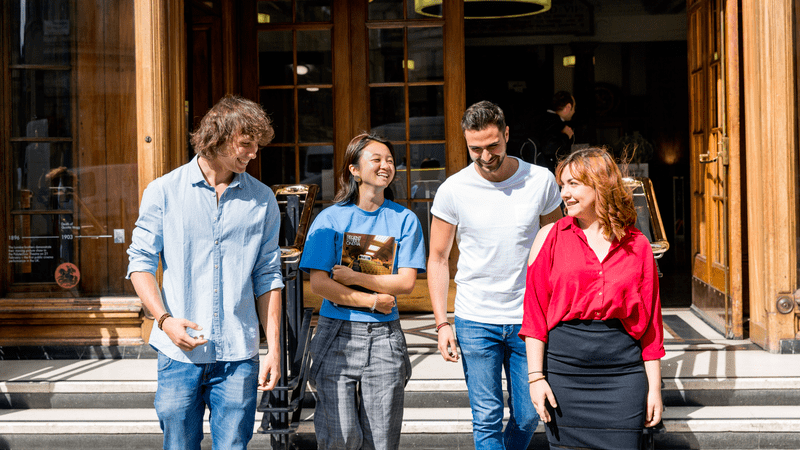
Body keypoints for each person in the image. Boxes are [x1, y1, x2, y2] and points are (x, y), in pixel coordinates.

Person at [126, 95, 284, 450]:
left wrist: (273, 349)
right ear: (217, 138)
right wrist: (164, 321)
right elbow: (140, 263)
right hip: (179, 353)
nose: (254, 153)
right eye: (246, 144)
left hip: (238, 353)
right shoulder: (164, 192)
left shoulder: (262, 200)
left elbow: (268, 276)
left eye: (256, 146)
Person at [427, 100, 563, 450]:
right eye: (475, 149)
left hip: (528, 319)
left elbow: (556, 249)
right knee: (486, 417)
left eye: (493, 146)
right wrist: (442, 323)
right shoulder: (454, 190)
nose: (485, 156)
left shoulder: (540, 181)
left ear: (506, 134)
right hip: (475, 319)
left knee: (529, 413)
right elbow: (439, 258)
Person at [520, 147, 664, 449]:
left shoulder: (637, 245)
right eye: (562, 185)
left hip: (622, 378)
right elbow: (534, 316)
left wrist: (655, 388)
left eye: (573, 184)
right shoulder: (549, 236)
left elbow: (651, 325)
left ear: (600, 184)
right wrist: (535, 378)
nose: (564, 193)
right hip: (564, 376)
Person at [300, 133, 426, 450]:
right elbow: (320, 284)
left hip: (385, 339)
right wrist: (372, 301)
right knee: (339, 439)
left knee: (381, 441)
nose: (385, 165)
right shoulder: (329, 219)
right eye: (376, 159)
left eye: (389, 160)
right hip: (336, 334)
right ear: (354, 170)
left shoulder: (405, 220)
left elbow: (405, 283)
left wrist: (354, 276)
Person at [524, 91, 576, 173]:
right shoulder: (554, 122)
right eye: (574, 108)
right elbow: (549, 148)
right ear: (568, 107)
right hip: (546, 171)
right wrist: (566, 136)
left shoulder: (543, 119)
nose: (574, 112)